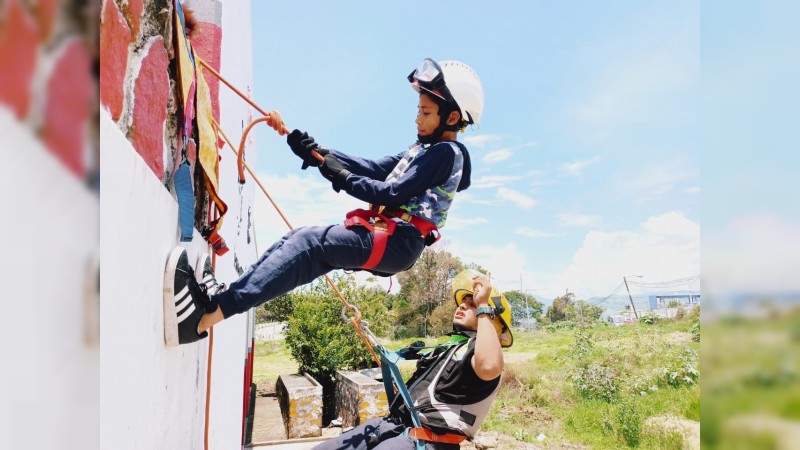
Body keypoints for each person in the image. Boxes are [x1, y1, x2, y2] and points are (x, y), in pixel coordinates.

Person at [163, 58, 484, 346]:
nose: (417, 119)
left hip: (400, 242)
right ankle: (213, 310)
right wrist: (319, 154)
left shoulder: (446, 154)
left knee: (309, 244)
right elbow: (373, 168)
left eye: (426, 113)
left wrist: (342, 178)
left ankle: (208, 314)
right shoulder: (422, 150)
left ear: (453, 117)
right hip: (392, 239)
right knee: (298, 242)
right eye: (418, 110)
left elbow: (391, 193)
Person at [312, 270, 513, 450]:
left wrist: (484, 305)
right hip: (393, 426)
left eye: (472, 304)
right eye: (464, 302)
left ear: (495, 323)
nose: (462, 305)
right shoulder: (450, 349)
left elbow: (489, 366)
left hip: (428, 441)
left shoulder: (479, 355)